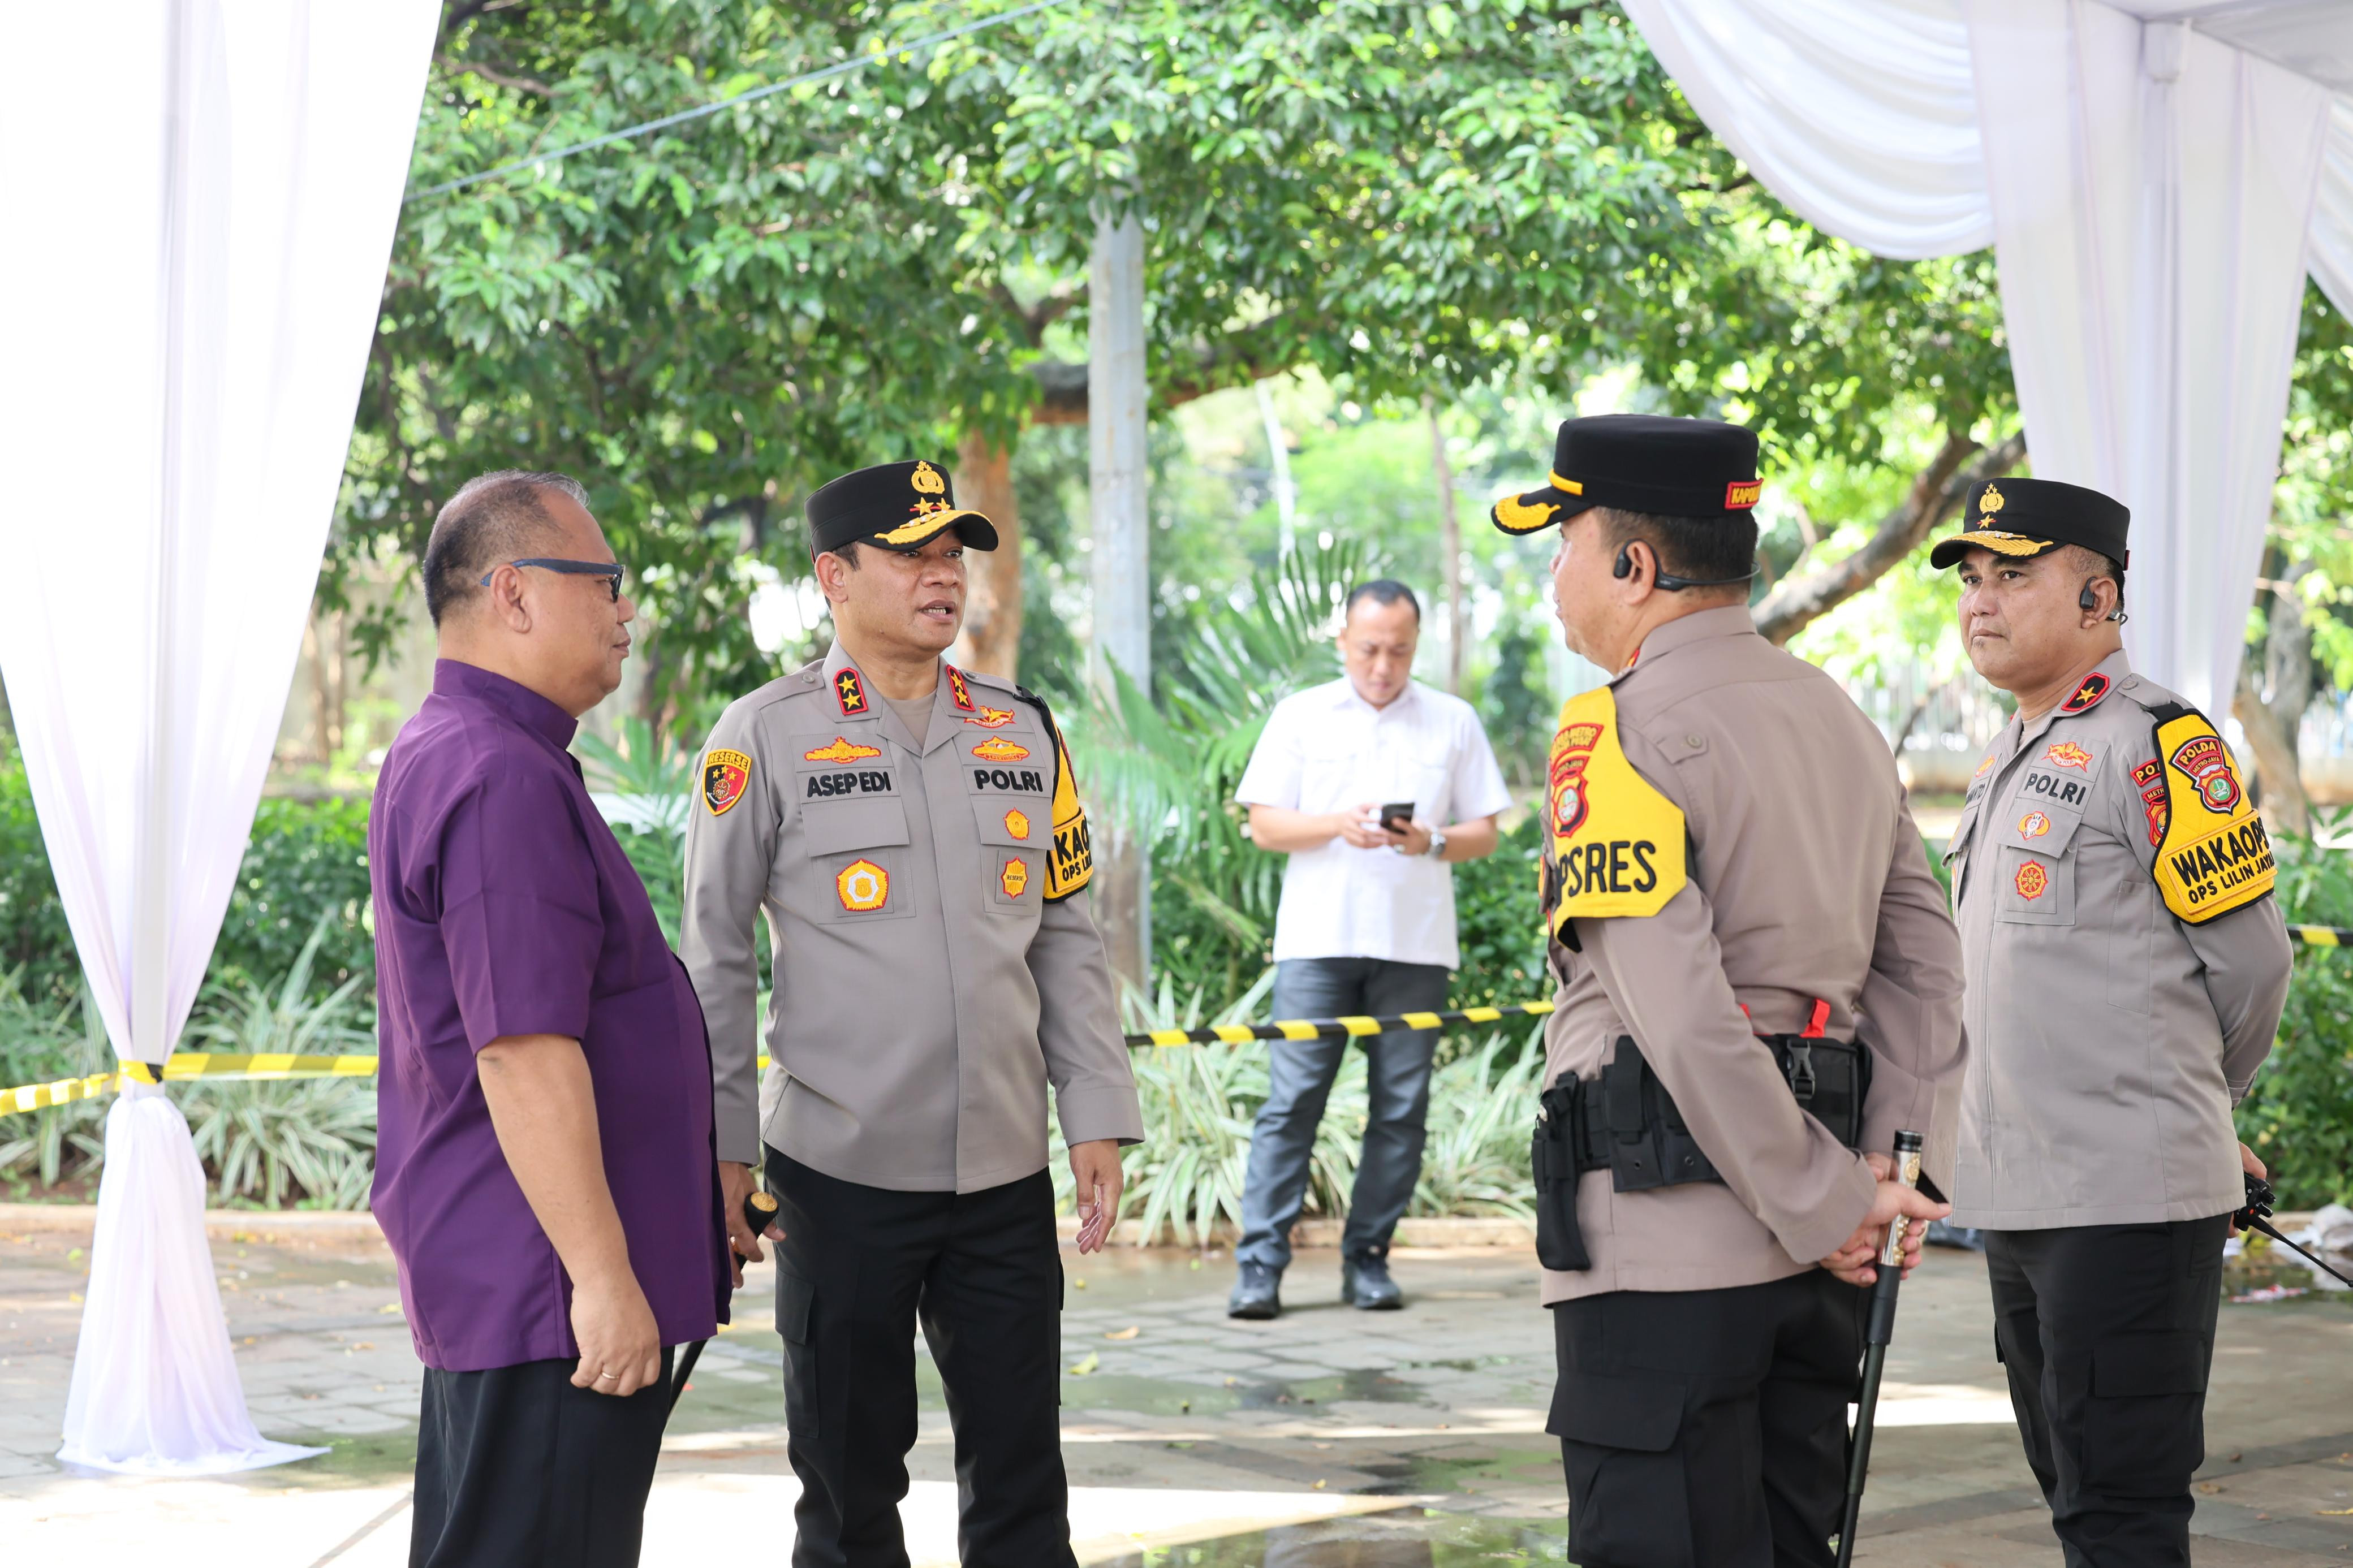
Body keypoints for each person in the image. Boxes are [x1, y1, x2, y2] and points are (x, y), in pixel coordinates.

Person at [1494, 413, 1964, 1567]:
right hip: (1821, 1270)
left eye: (1562, 540)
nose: (1552, 574)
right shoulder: (1841, 719)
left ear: (1633, 566)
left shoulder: (1611, 733)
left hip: (1669, 1260)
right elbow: (1924, 962)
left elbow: (1684, 1015)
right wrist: (1883, 1173)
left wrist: (1825, 1199)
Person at [679, 458, 1144, 1568]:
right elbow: (715, 957)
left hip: (1000, 1173)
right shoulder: (763, 736)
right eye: (914, 555)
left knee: (1024, 1481)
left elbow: (1067, 933)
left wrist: (1093, 1112)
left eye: (954, 554)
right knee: (846, 1488)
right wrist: (722, 1150)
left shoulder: (1021, 734)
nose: (945, 577)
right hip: (838, 1175)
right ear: (834, 576)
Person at [370, 471, 730, 1568]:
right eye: (607, 583)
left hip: (520, 1281)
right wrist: (604, 1277)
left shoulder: (469, 748)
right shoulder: (497, 776)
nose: (626, 612)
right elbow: (522, 1052)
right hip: (548, 1295)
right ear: (514, 592)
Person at [1933, 476, 2290, 1566]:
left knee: (2123, 1511)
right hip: (2018, 1196)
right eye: (1975, 579)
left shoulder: (2162, 743)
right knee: (2075, 1500)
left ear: (2100, 600)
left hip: (2128, 1199)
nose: (1982, 602)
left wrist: (2193, 1111)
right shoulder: (2005, 756)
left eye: (2016, 575)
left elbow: (2254, 964)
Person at [1226, 579, 1513, 1319]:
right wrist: (1333, 824)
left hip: (1414, 947)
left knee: (1402, 1109)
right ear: (1342, 641)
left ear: (1417, 645)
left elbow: (1486, 828)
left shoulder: (1453, 720)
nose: (1383, 665)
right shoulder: (1301, 716)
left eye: (1399, 650)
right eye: (1369, 648)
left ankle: (1369, 1261)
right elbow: (1262, 825)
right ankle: (1259, 1266)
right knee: (1292, 1104)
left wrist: (1432, 840)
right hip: (1316, 943)